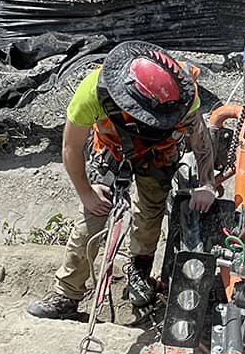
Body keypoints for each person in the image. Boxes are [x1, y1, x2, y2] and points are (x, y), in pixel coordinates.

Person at [26, 41, 220, 319]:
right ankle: (66, 294)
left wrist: (206, 184)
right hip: (111, 146)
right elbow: (71, 146)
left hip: (160, 153)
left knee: (150, 213)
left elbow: (201, 142)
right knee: (92, 218)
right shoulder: (93, 90)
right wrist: (86, 192)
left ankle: (139, 272)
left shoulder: (183, 98)